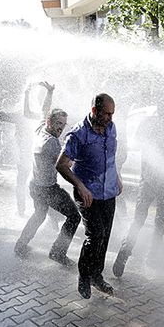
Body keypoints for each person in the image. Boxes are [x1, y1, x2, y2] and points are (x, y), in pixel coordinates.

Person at [56, 93, 121, 299]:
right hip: (88, 194)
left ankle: (97, 276)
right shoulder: (78, 134)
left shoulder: (111, 128)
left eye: (112, 114)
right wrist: (81, 187)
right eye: (107, 114)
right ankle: (84, 276)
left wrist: (117, 177)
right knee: (95, 235)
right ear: (94, 111)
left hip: (109, 192)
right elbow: (62, 165)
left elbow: (110, 156)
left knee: (105, 236)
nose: (110, 118)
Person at [113, 96, 164, 277]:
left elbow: (138, 143)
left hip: (148, 180)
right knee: (160, 220)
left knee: (139, 219)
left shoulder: (148, 123)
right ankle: (152, 255)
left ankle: (125, 251)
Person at [14, 108, 81, 266]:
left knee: (39, 214)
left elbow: (45, 110)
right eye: (58, 123)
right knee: (74, 216)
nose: (61, 128)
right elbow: (66, 164)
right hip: (47, 189)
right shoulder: (51, 143)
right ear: (49, 122)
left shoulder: (39, 130)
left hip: (35, 185)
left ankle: (20, 245)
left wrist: (49, 92)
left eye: (63, 125)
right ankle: (58, 252)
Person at [0, 82, 54, 216]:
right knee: (27, 182)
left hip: (33, 155)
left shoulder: (34, 116)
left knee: (30, 182)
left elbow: (44, 111)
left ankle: (31, 209)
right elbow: (2, 116)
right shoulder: (23, 115)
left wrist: (46, 93)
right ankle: (24, 208)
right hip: (27, 155)